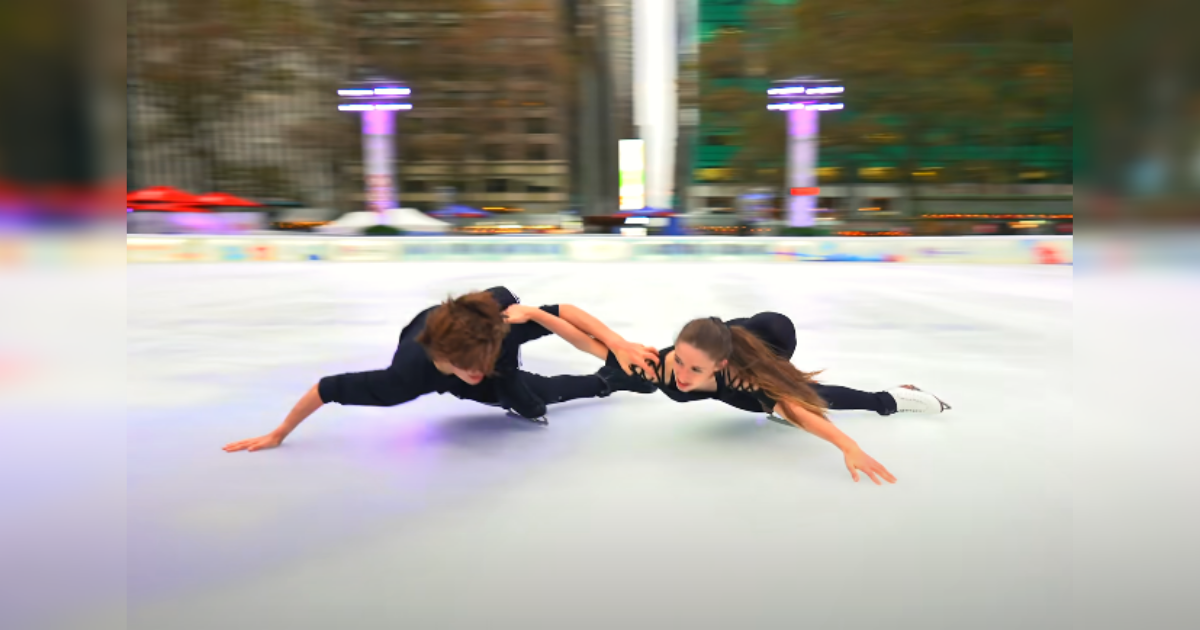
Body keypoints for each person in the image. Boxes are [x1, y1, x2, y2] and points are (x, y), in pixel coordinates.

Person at [223, 287, 657, 453]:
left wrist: (616, 346)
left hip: (486, 318)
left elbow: (562, 312)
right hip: (439, 344)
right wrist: (279, 432)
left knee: (523, 391)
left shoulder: (497, 333)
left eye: (482, 366)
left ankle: (607, 378)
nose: (476, 374)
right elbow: (327, 388)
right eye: (467, 370)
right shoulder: (404, 378)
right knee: (523, 398)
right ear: (442, 358)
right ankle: (607, 383)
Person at [569, 312, 952, 485]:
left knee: (804, 398)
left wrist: (847, 445)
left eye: (694, 370)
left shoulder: (746, 377)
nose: (682, 377)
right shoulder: (653, 364)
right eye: (680, 364)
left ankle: (893, 398)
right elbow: (591, 340)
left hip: (768, 337)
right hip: (739, 342)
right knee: (783, 399)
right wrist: (538, 313)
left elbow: (796, 409)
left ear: (718, 366)